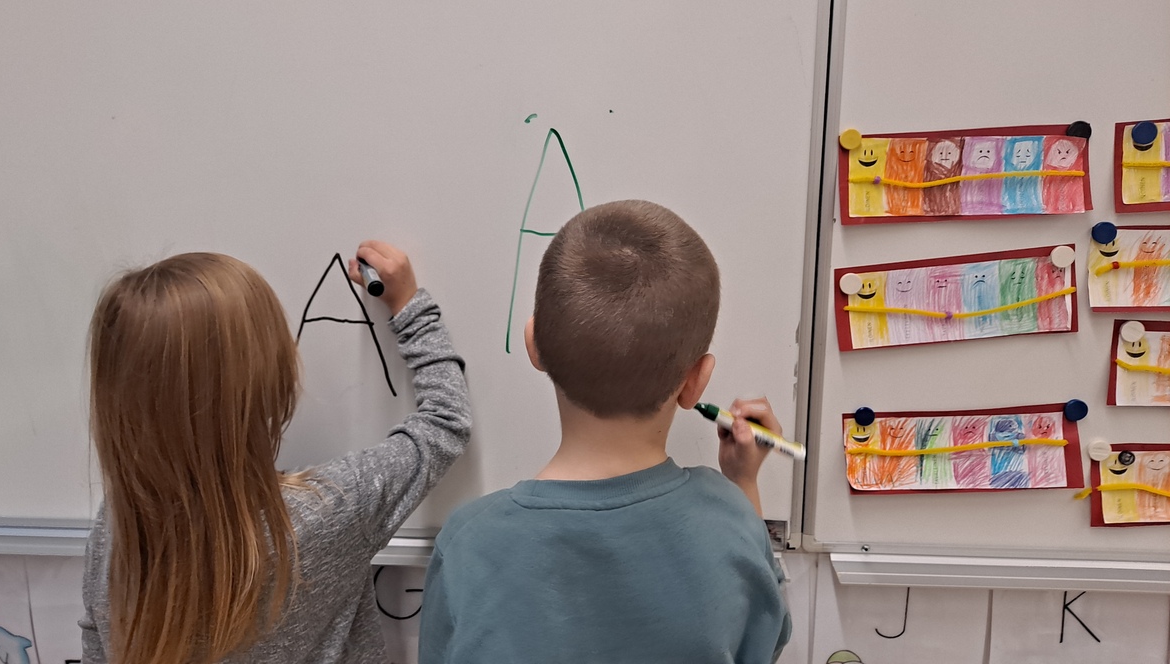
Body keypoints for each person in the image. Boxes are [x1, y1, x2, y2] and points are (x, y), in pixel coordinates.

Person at [419, 200, 790, 664]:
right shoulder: (731, 519)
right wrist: (744, 483)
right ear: (696, 382)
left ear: (534, 345)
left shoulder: (469, 544)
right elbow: (764, 640)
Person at [80, 242, 470, 664]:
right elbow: (445, 422)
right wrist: (408, 305)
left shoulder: (118, 527)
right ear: (266, 381)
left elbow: (96, 643)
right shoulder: (328, 511)